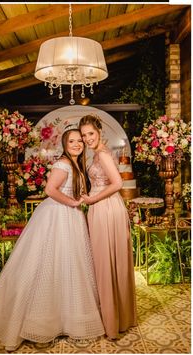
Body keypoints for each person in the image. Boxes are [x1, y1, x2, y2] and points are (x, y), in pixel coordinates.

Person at [0, 128, 105, 351]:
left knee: (68, 266)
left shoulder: (75, 163)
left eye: (80, 141)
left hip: (68, 217)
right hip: (58, 216)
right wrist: (73, 203)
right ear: (65, 145)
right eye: (72, 141)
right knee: (48, 264)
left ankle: (67, 319)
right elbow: (49, 189)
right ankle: (39, 324)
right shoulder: (63, 164)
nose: (77, 144)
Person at [79, 115, 137, 340]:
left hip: (104, 209)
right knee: (111, 262)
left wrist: (92, 200)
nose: (87, 139)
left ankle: (111, 323)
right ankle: (118, 317)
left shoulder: (102, 153)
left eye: (90, 134)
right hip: (108, 207)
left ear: (99, 131)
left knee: (105, 262)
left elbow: (118, 183)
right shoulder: (100, 152)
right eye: (84, 135)